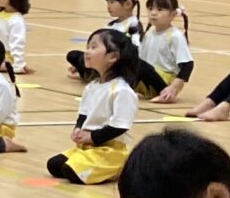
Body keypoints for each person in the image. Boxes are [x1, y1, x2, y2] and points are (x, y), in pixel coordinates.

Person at [47, 29, 157, 185]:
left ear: (113, 57)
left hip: (110, 148)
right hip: (88, 146)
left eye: (93, 47)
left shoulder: (121, 90)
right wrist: (78, 128)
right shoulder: (92, 86)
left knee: (71, 171)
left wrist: (92, 137)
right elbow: (84, 113)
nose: (87, 51)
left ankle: (120, 165)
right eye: (88, 47)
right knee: (54, 165)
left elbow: (120, 126)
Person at [139, 0, 194, 104]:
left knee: (139, 65)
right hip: (147, 77)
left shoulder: (175, 36)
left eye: (160, 9)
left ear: (173, 14)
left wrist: (174, 88)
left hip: (164, 82)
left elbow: (188, 65)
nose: (153, 13)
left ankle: (165, 95)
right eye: (150, 8)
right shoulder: (149, 33)